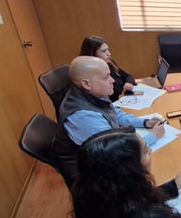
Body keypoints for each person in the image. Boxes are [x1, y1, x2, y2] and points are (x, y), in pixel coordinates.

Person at [53, 56, 165, 188]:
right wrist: (153, 136)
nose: (112, 80)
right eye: (106, 77)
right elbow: (118, 150)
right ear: (86, 84)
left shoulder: (93, 93)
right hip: (95, 181)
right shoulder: (83, 116)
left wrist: (145, 122)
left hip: (106, 161)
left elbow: (115, 113)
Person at [80, 35, 136, 102]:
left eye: (107, 50)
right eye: (104, 51)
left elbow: (127, 76)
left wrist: (129, 82)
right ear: (92, 54)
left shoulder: (109, 63)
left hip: (122, 99)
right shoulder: (89, 72)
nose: (109, 54)